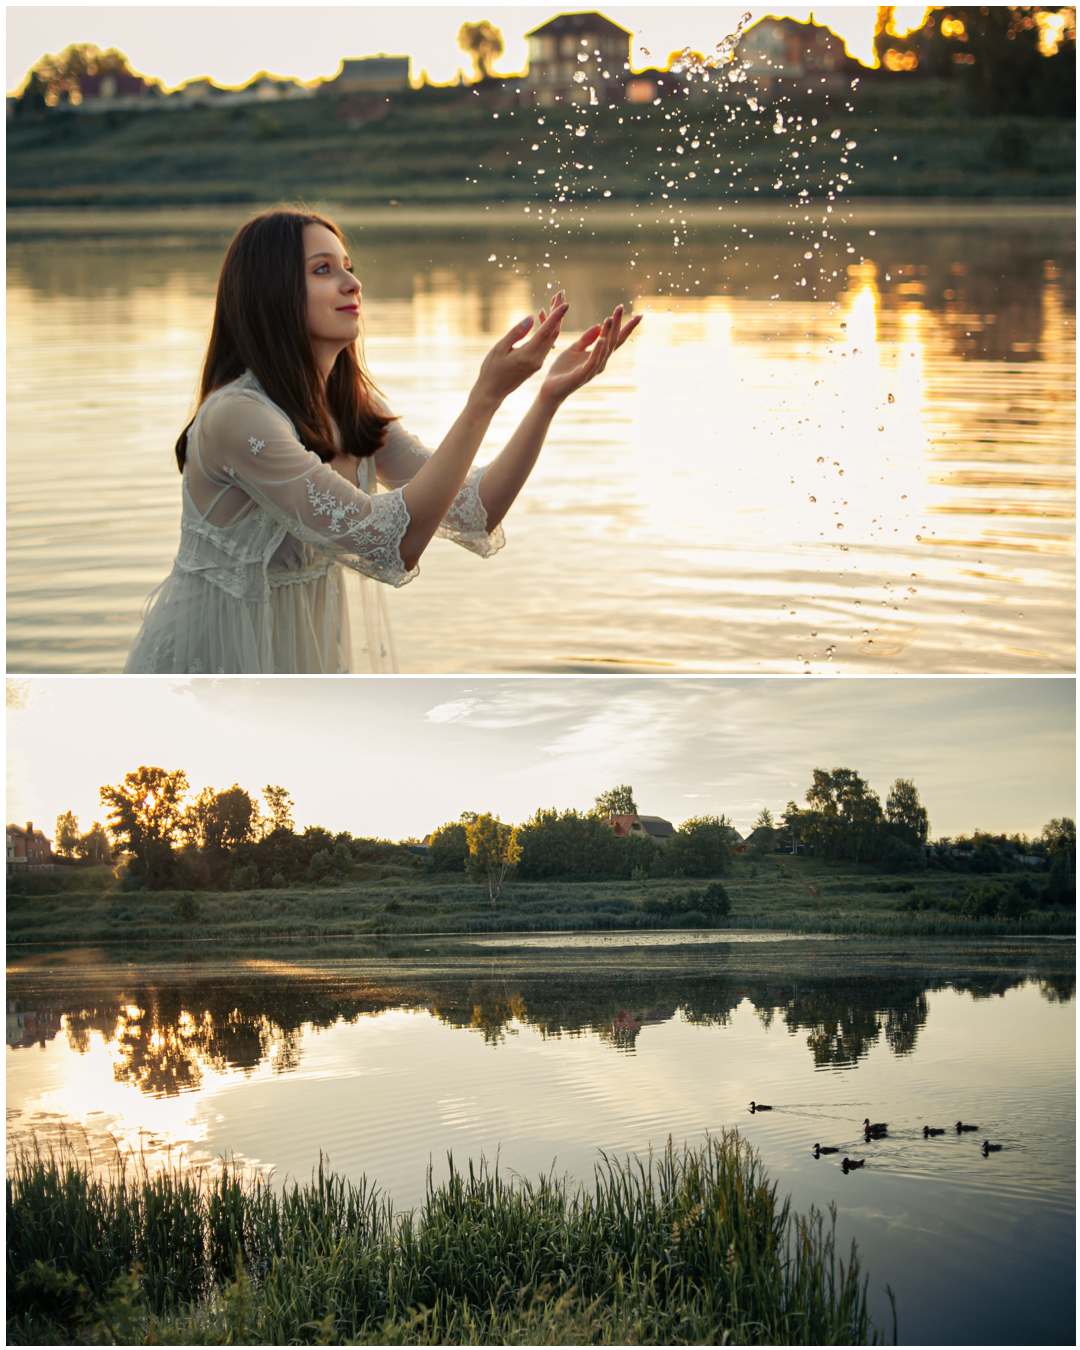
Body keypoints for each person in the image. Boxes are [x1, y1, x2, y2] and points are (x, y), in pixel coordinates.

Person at [124, 208, 640, 675]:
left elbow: (474, 510)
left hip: (305, 654)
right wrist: (484, 397)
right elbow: (393, 544)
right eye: (323, 270)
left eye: (348, 266)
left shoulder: (351, 404)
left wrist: (547, 398)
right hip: (216, 658)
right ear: (270, 291)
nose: (352, 283)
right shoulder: (237, 415)